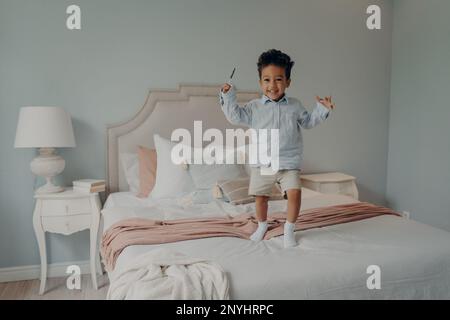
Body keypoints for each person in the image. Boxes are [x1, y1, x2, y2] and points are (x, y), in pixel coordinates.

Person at [219, 49, 335, 247]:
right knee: (260, 198)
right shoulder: (254, 107)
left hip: (289, 163)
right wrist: (228, 96)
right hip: (264, 163)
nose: (272, 85)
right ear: (260, 82)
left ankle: (289, 228)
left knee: (295, 194)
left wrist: (322, 109)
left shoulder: (295, 106)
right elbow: (234, 116)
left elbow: (308, 122)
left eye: (279, 79)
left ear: (288, 82)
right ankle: (262, 225)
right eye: (267, 80)